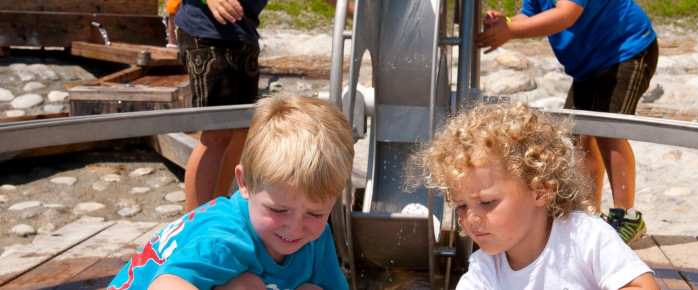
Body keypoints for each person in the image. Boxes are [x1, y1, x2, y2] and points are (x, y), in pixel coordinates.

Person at [107, 96, 355, 289]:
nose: (295, 227)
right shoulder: (224, 237)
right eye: (277, 209)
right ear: (245, 183)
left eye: (315, 213)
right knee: (245, 286)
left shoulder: (313, 237)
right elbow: (164, 285)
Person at [406, 102, 658, 289]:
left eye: (487, 202)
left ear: (540, 190)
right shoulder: (485, 271)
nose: (471, 218)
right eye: (461, 206)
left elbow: (643, 286)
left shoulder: (584, 237)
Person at [475, 0, 659, 244]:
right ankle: (589, 212)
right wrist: (506, 23)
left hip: (625, 48)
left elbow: (566, 14)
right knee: (580, 134)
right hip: (589, 63)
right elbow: (528, 16)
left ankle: (628, 216)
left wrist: (511, 31)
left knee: (609, 130)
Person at [177, 0, 354, 213]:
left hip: (244, 36)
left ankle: (215, 210)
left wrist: (363, 18)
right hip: (207, 33)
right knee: (216, 133)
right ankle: (192, 223)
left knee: (242, 130)